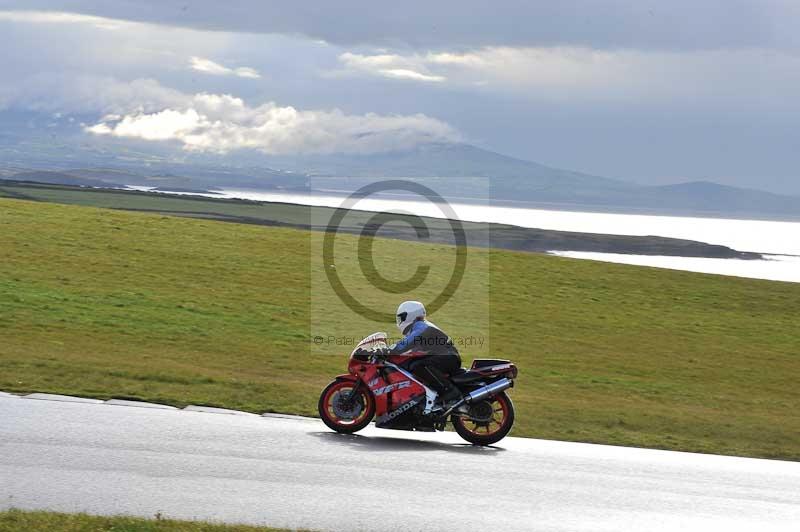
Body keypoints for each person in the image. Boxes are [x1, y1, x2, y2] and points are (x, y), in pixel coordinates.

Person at [385, 301, 463, 404]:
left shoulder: (421, 326)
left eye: (402, 317)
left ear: (411, 315)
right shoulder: (418, 328)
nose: (400, 321)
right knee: (411, 364)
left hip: (448, 357)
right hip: (444, 357)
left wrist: (391, 350)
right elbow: (411, 349)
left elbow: (408, 342)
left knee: (419, 365)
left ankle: (449, 391)